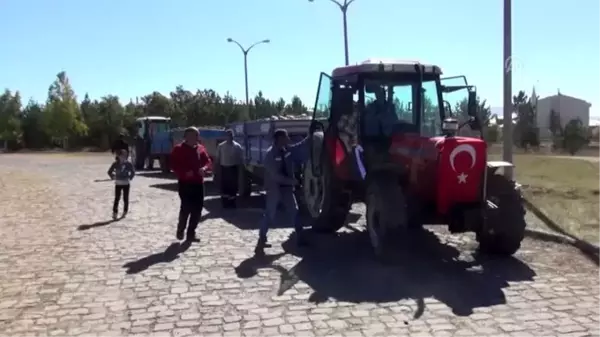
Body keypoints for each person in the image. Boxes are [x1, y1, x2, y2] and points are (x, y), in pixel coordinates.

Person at [255, 129, 309, 256]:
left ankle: (300, 238)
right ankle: (261, 240)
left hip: (287, 188)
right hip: (275, 189)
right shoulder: (270, 155)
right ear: (279, 139)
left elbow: (298, 147)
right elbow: (275, 176)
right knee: (270, 214)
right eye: (285, 137)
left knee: (294, 211)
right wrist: (292, 181)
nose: (288, 139)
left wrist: (309, 137)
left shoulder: (287, 151)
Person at [170, 127, 212, 242]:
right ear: (186, 137)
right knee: (186, 208)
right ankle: (181, 229)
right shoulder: (178, 149)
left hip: (198, 183)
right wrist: (184, 173)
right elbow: (173, 165)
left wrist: (204, 168)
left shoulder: (200, 148)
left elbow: (208, 161)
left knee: (197, 210)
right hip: (185, 183)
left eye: (197, 136)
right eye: (194, 136)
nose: (196, 138)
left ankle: (191, 233)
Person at [215, 129, 244, 208]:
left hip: (233, 168)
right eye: (228, 135)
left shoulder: (237, 146)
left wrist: (240, 170)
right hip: (224, 168)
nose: (229, 137)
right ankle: (225, 203)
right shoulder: (221, 146)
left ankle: (232, 203)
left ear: (233, 136)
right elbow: (217, 159)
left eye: (231, 135)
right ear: (225, 136)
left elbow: (240, 159)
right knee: (225, 186)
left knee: (233, 186)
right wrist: (216, 170)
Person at [107, 149, 135, 219]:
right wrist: (112, 177)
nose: (123, 157)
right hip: (118, 183)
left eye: (124, 156)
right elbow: (109, 171)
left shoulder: (128, 164)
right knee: (117, 198)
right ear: (118, 156)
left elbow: (133, 172)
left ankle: (125, 211)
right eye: (121, 156)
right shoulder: (115, 164)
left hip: (126, 183)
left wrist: (130, 178)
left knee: (125, 198)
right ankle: (115, 212)